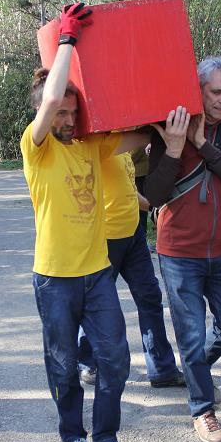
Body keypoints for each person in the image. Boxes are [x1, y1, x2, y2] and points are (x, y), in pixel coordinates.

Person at [21, 3, 163, 442]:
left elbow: (140, 133)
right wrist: (66, 42)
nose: (66, 118)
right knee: (63, 366)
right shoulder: (36, 148)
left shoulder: (92, 143)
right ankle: (73, 435)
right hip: (55, 278)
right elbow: (51, 99)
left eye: (72, 111)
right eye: (59, 111)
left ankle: (105, 434)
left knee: (115, 360)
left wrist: (169, 111)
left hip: (97, 273)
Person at [145, 55, 221, 442]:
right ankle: (202, 409)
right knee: (190, 336)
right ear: (198, 90)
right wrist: (175, 148)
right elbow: (153, 195)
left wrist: (203, 144)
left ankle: (196, 373)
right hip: (178, 252)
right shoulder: (167, 128)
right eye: (216, 91)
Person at [76, 148, 185, 390]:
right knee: (96, 304)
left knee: (150, 298)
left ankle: (162, 369)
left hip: (133, 233)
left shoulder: (124, 147)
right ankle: (88, 362)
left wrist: (155, 209)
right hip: (105, 237)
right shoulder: (96, 143)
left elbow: (128, 190)